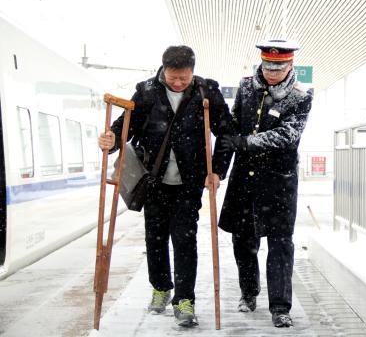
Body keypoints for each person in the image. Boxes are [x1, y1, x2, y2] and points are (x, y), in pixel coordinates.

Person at [97, 45, 233, 327]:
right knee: (155, 238)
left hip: (189, 182)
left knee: (184, 239)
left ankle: (185, 300)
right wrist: (110, 139)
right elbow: (126, 127)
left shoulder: (206, 92)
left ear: (192, 72)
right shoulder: (147, 92)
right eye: (174, 76)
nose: (179, 82)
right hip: (154, 180)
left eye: (184, 77)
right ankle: (160, 287)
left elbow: (227, 133)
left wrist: (217, 170)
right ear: (163, 70)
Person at [217, 39, 313, 328]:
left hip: (279, 182)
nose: (272, 72)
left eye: (278, 67)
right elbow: (231, 127)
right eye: (268, 66)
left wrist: (247, 141)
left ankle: (281, 307)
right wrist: (218, 170)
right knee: (243, 241)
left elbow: (288, 135)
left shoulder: (301, 95)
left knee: (280, 244)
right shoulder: (246, 87)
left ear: (290, 65)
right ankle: (249, 293)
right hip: (244, 179)